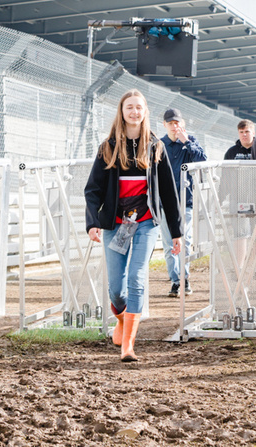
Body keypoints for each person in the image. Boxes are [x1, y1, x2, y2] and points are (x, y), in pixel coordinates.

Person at [85, 89, 182, 362]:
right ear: (122, 111)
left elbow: (168, 193)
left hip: (145, 223)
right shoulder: (108, 147)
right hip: (115, 224)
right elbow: (92, 190)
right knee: (117, 288)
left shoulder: (155, 146)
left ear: (145, 112)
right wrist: (92, 222)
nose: (134, 112)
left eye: (139, 107)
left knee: (137, 278)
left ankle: (128, 345)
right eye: (130, 107)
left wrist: (176, 232)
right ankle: (121, 320)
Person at [159, 108, 207, 297]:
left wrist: (186, 141)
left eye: (177, 122)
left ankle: (183, 278)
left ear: (183, 124)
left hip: (185, 201)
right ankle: (175, 280)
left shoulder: (190, 141)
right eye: (170, 123)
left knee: (184, 241)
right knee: (169, 243)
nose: (174, 126)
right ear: (164, 125)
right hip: (164, 202)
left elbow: (202, 160)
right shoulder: (159, 144)